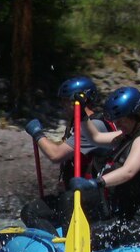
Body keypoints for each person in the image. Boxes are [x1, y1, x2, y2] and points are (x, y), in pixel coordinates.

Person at [69, 86, 140, 250]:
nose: (117, 124)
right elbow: (95, 137)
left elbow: (128, 171)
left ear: (135, 115)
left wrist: (96, 183)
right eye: (116, 120)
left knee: (89, 237)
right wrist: (81, 115)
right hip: (129, 215)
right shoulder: (126, 136)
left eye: (122, 120)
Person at [20, 76, 116, 235]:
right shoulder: (74, 124)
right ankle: (53, 249)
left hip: (97, 196)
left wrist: (38, 134)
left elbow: (55, 154)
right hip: (76, 194)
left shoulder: (96, 125)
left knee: (68, 201)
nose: (63, 106)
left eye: (67, 101)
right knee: (30, 211)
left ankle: (71, 246)